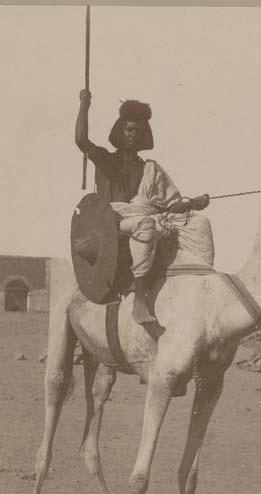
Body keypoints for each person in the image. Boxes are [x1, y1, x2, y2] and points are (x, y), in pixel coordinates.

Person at [75, 90, 214, 324]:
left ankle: (199, 286)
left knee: (200, 223)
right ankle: (139, 300)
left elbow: (170, 206)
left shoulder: (151, 168)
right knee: (146, 225)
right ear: (120, 130)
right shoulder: (107, 160)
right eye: (129, 129)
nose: (132, 134)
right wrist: (84, 104)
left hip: (148, 218)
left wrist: (193, 203)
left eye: (137, 131)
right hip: (115, 222)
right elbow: (81, 141)